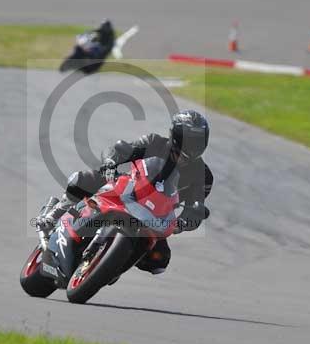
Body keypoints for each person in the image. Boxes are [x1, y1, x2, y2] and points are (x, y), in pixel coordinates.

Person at [37, 110, 213, 275]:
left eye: (198, 141)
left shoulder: (203, 175)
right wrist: (110, 163)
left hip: (156, 215)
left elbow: (196, 207)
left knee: (159, 260)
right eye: (189, 139)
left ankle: (111, 266)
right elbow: (122, 149)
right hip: (127, 189)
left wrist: (184, 222)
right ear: (176, 135)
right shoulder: (154, 142)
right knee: (84, 179)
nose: (193, 146)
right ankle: (54, 214)